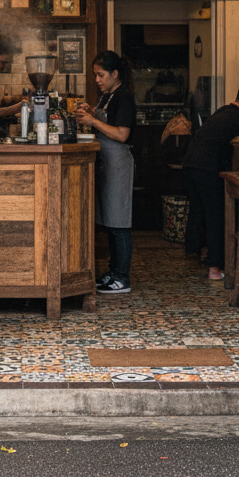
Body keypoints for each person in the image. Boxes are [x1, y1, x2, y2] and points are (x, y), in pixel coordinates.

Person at [180, 83, 239, 280]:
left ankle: (201, 252)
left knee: (199, 211)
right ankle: (215, 269)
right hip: (207, 167)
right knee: (216, 215)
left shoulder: (224, 110)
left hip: (191, 163)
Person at [75, 51, 137, 295]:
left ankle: (122, 277)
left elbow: (122, 134)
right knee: (110, 221)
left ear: (115, 74)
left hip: (119, 162)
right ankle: (113, 272)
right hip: (107, 162)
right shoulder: (107, 96)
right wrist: (92, 111)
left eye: (101, 75)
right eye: (95, 75)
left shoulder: (124, 97)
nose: (98, 79)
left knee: (119, 220)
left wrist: (93, 121)